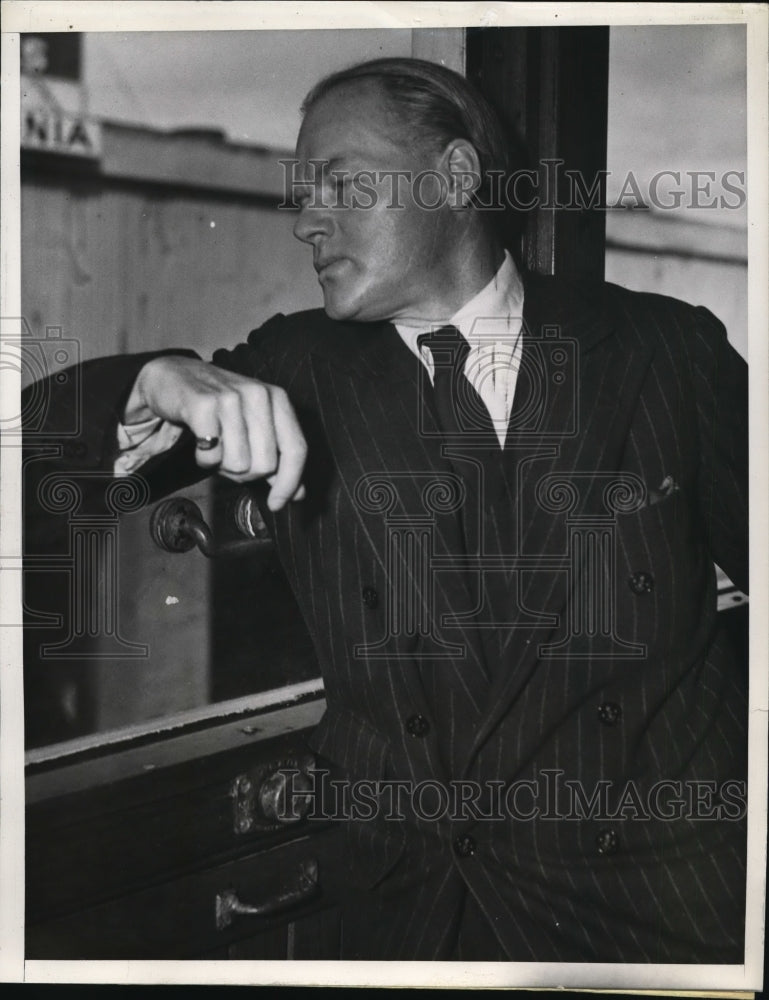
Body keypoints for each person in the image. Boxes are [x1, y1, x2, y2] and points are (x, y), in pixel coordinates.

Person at [24, 58, 748, 962]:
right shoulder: (295, 367)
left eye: (340, 182)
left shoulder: (664, 352)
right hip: (412, 921)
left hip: (659, 916)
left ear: (454, 175)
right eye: (299, 193)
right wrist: (145, 382)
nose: (305, 219)